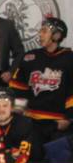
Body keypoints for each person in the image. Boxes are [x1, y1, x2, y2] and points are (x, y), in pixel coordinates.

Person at [8, 17, 72, 145]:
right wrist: (18, 117)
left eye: (44, 31)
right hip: (31, 122)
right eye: (40, 31)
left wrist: (69, 119)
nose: (40, 34)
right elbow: (18, 88)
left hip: (57, 123)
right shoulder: (30, 57)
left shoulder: (69, 59)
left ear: (57, 35)